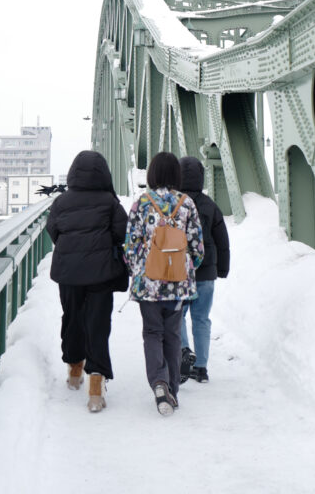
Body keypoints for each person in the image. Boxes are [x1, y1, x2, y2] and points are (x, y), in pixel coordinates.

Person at [46, 150, 128, 413]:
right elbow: (121, 232)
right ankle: (95, 388)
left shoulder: (61, 202)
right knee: (98, 325)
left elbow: (53, 231)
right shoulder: (110, 203)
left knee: (72, 318)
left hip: (68, 273)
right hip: (101, 273)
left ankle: (74, 370)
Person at [124, 151, 204, 416]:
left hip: (149, 284)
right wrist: (184, 267)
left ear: (152, 174)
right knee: (172, 334)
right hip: (178, 284)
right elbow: (197, 249)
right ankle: (172, 388)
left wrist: (140, 268)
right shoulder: (187, 204)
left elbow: (130, 246)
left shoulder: (141, 203)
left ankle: (158, 381)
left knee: (152, 333)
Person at [178, 156, 230, 384]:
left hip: (178, 272)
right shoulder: (210, 205)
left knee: (177, 316)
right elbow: (222, 241)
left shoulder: (174, 204)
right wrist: (222, 269)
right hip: (206, 272)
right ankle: (201, 368)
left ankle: (183, 356)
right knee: (201, 319)